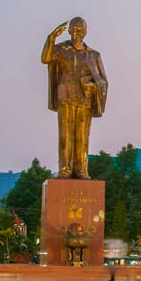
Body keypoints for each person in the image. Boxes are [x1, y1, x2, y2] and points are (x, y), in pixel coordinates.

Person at [41, 16, 109, 179]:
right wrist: (51, 39)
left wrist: (93, 84)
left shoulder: (93, 55)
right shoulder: (61, 49)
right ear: (70, 31)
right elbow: (45, 59)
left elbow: (103, 80)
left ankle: (81, 170)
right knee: (65, 135)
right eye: (75, 29)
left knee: (82, 137)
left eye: (82, 30)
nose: (78, 33)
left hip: (84, 99)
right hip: (66, 97)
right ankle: (65, 169)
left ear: (86, 32)